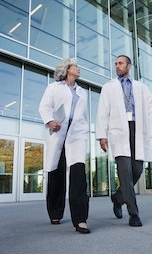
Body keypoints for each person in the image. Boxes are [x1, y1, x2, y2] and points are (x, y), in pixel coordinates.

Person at [96, 55, 152, 227]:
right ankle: (134, 214)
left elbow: (151, 106)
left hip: (137, 129)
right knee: (125, 173)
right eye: (115, 64)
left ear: (129, 66)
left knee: (137, 170)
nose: (117, 66)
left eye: (120, 63)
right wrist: (102, 135)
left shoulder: (140, 87)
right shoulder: (108, 87)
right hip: (119, 132)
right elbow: (102, 112)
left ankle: (118, 197)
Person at [39, 58, 90, 234]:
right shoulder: (54, 87)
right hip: (59, 131)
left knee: (78, 176)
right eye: (76, 66)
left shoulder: (82, 92)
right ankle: (55, 212)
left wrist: (85, 130)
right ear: (67, 69)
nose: (78, 68)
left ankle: (81, 219)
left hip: (76, 135)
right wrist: (50, 121)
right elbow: (44, 107)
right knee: (57, 173)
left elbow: (83, 115)